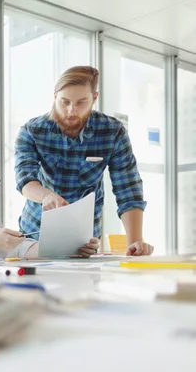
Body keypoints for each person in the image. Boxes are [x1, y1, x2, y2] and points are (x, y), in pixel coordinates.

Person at [15, 65, 154, 256]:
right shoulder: (32, 130)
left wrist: (135, 241)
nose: (72, 110)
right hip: (35, 235)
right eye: (65, 102)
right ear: (55, 95)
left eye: (81, 102)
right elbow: (25, 180)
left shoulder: (112, 131)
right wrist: (46, 196)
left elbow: (128, 189)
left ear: (94, 98)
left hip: (84, 243)